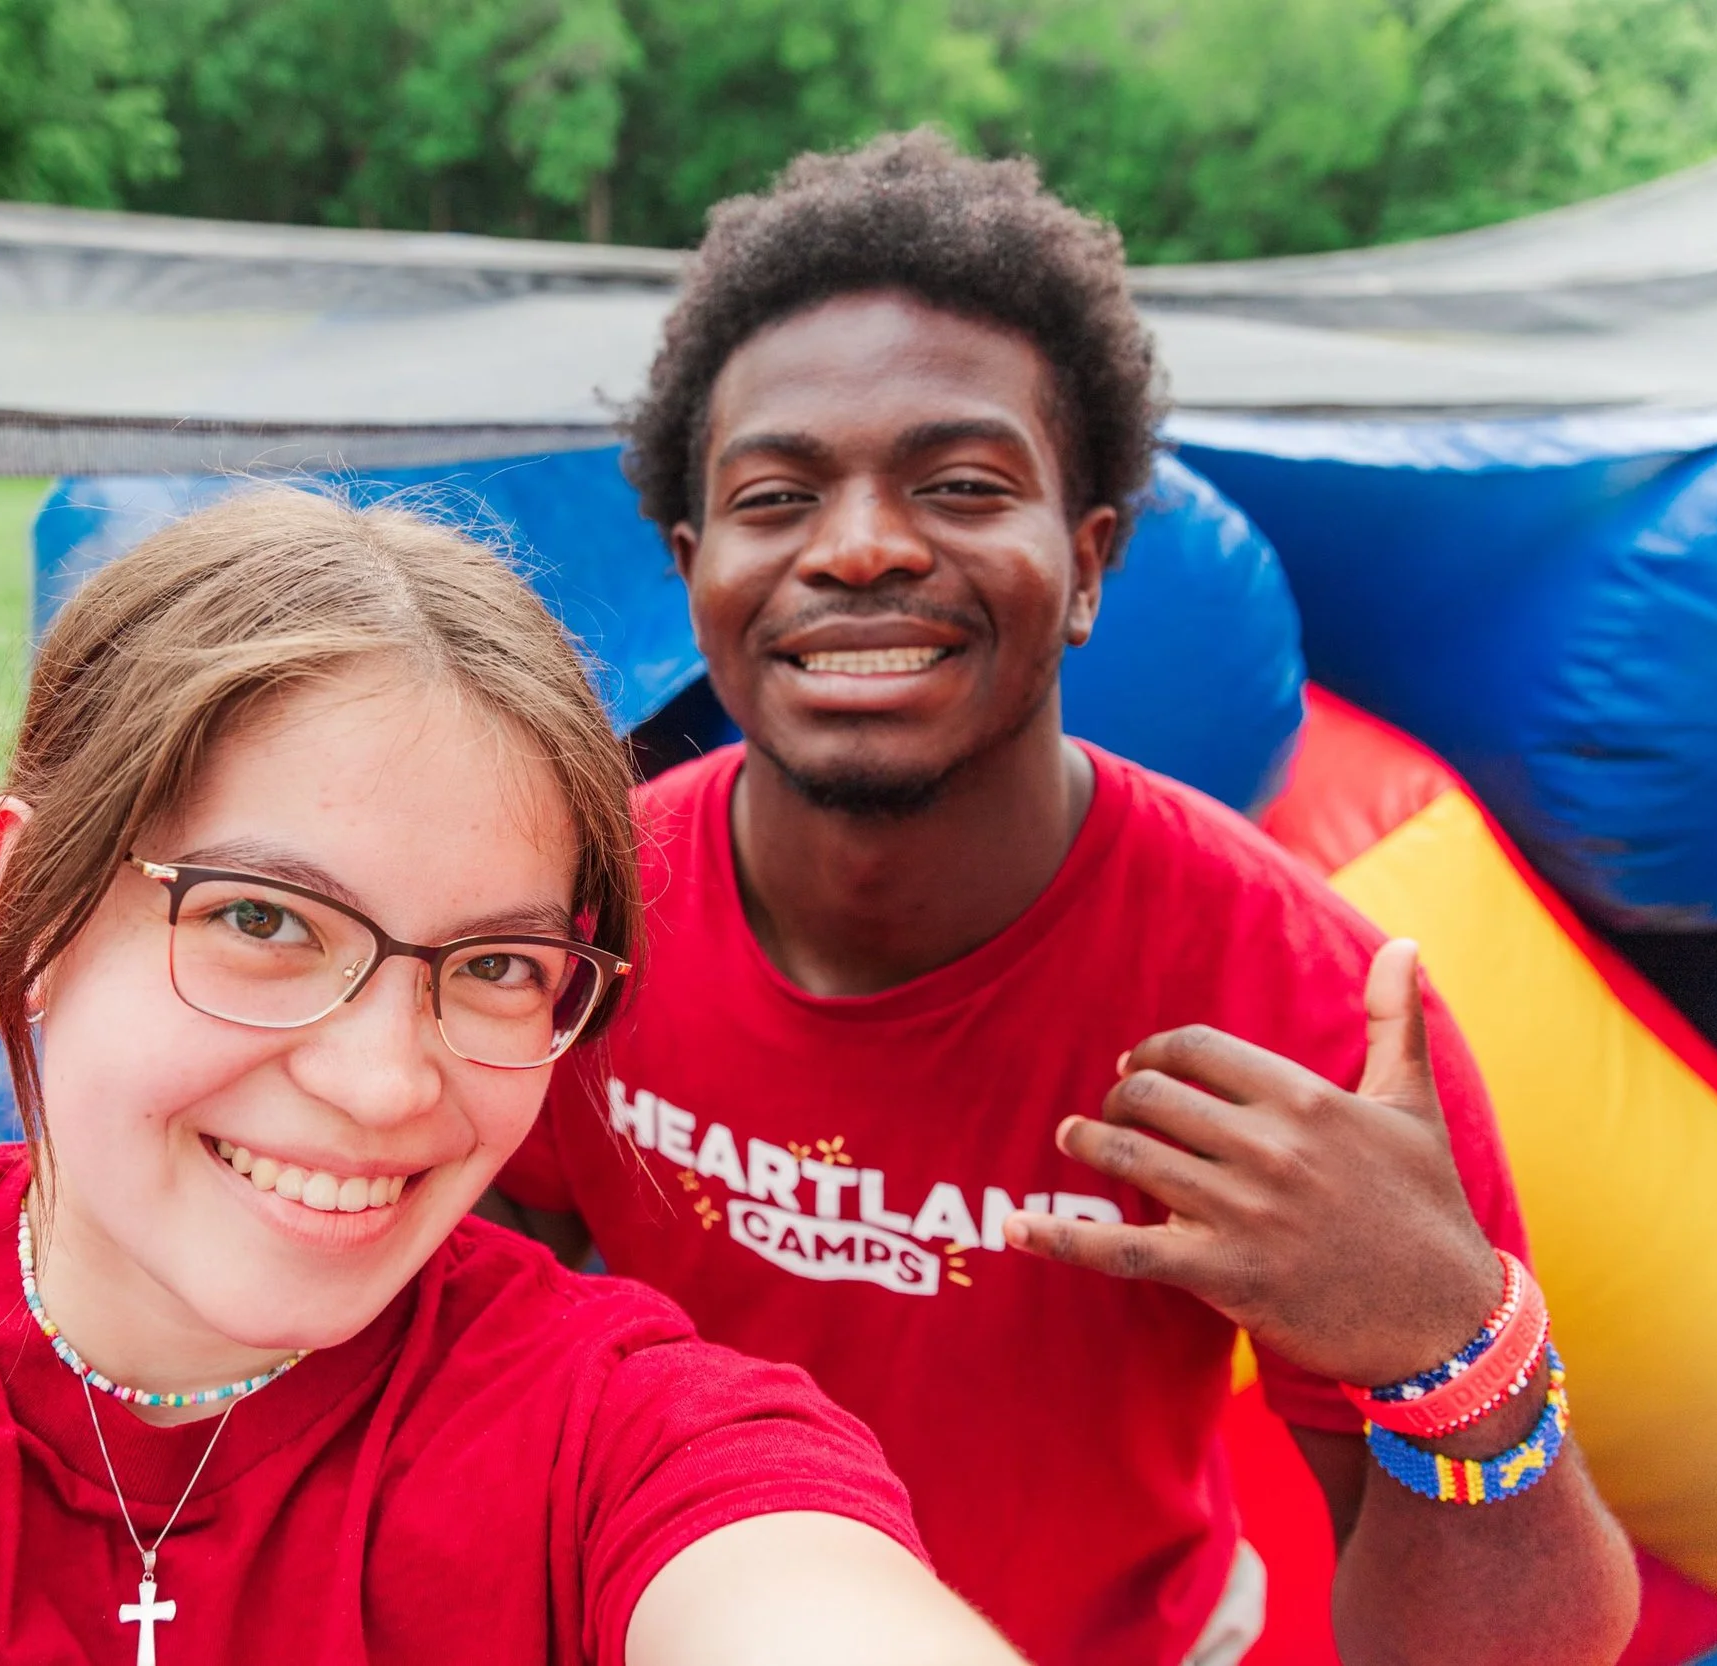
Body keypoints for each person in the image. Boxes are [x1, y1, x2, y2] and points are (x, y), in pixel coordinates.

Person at [0, 491, 1029, 1666]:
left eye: (501, 964)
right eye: (260, 919)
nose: (391, 1083)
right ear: (35, 906)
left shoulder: (615, 1438)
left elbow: (787, 1582)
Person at [488, 134, 1640, 1666]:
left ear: (1087, 562)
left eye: (960, 484)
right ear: (697, 569)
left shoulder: (1305, 1011)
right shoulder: (573, 912)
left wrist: (1454, 1344)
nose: (863, 545)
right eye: (778, 496)